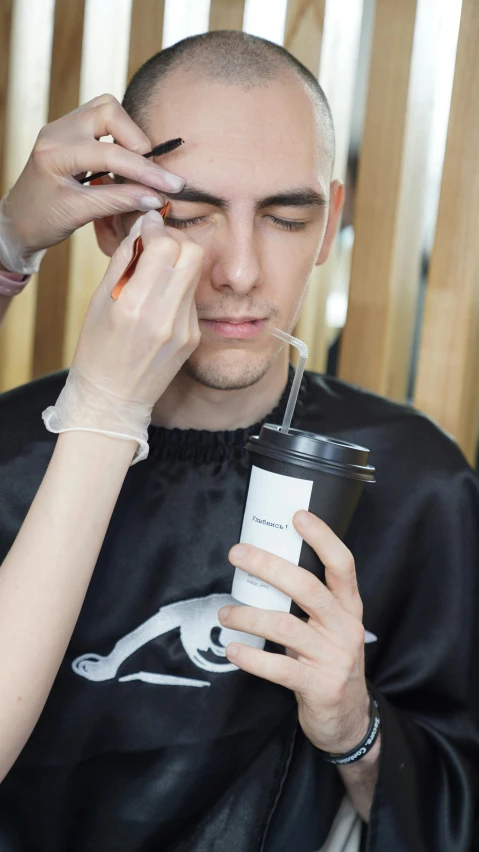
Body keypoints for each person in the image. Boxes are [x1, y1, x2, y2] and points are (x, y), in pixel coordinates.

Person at [0, 30, 478, 852]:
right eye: (190, 215)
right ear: (113, 224)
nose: (242, 272)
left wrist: (358, 734)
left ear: (328, 226)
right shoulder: (13, 453)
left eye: (287, 219)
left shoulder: (415, 480)